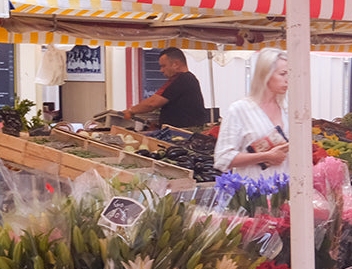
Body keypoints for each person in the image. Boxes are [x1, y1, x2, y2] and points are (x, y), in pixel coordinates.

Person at [214, 48, 290, 178]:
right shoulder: (240, 110)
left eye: (290, 74)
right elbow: (222, 158)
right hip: (254, 191)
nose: (288, 79)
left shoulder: (288, 110)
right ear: (265, 74)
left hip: (286, 191)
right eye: (282, 74)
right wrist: (265, 156)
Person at [124, 47, 208, 130]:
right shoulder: (188, 78)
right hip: (187, 130)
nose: (161, 70)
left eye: (163, 66)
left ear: (176, 64)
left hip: (183, 133)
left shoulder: (180, 79)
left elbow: (152, 103)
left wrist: (130, 111)